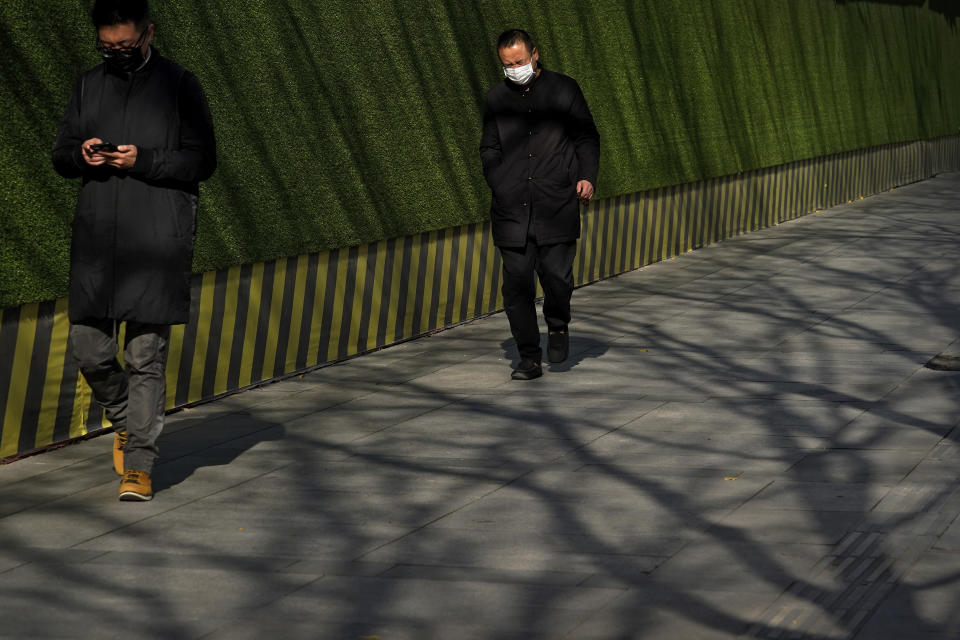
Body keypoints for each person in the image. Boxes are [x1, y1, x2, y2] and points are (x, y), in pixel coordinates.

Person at [52, 0, 216, 500]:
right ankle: (127, 419)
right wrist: (80, 153)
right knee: (88, 347)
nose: (115, 54)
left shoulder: (180, 84)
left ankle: (140, 464)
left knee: (146, 355)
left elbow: (202, 160)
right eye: (106, 47)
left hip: (156, 237)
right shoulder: (88, 84)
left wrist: (143, 159)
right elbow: (60, 154)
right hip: (98, 238)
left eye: (123, 46)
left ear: (148, 34)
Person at [479, 29, 600, 380]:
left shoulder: (565, 89)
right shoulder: (496, 99)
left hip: (556, 203)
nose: (513, 69)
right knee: (516, 284)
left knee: (558, 278)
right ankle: (528, 357)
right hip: (511, 208)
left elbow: (586, 136)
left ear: (534, 54)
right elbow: (489, 147)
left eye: (518, 62)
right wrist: (498, 179)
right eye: (506, 65)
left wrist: (586, 176)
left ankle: (558, 326)